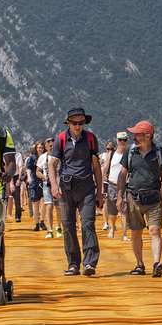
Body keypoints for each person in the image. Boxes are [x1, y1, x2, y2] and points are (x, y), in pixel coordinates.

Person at [48, 108, 103, 276]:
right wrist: (53, 185)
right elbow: (52, 164)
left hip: (86, 186)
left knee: (88, 224)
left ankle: (89, 263)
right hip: (66, 189)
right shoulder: (61, 139)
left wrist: (100, 192)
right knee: (68, 226)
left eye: (81, 123)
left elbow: (96, 166)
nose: (78, 126)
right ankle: (73, 264)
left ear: (84, 123)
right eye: (74, 123)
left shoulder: (91, 139)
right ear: (68, 123)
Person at [116, 120, 162, 278]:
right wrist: (120, 197)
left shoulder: (160, 152)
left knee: (155, 230)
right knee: (136, 233)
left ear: (147, 136)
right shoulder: (130, 152)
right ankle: (140, 264)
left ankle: (156, 263)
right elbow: (122, 175)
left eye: (137, 134)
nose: (133, 137)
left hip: (154, 198)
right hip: (133, 197)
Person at [103, 133, 129, 240]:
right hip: (112, 185)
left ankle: (124, 234)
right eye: (120, 140)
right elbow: (104, 169)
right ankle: (112, 228)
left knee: (124, 212)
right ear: (117, 141)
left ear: (127, 140)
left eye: (124, 140)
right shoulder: (112, 154)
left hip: (126, 186)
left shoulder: (129, 154)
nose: (122, 142)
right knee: (112, 211)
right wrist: (102, 187)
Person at [37, 137, 62, 239]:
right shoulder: (43, 157)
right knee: (49, 206)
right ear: (46, 147)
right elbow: (37, 171)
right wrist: (44, 177)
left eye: (53, 144)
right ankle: (50, 229)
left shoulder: (60, 156)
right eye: (49, 145)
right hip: (47, 185)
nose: (51, 146)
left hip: (59, 184)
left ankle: (59, 227)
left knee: (59, 207)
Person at [25, 140, 46, 232]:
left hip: (44, 180)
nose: (40, 149)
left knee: (45, 201)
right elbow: (28, 168)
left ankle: (42, 220)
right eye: (38, 148)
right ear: (36, 148)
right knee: (35, 202)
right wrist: (29, 177)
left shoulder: (46, 157)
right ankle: (37, 223)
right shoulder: (31, 158)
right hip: (34, 181)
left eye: (41, 148)